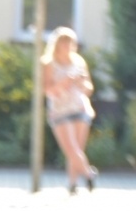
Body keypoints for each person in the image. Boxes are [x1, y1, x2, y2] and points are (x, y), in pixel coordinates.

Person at [41, 27, 97, 194]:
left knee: (78, 149)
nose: (67, 45)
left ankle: (72, 184)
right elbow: (47, 89)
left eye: (70, 42)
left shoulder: (79, 62)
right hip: (59, 110)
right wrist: (64, 82)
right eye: (63, 42)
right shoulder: (48, 63)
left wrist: (82, 84)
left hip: (79, 106)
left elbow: (89, 87)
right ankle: (89, 174)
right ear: (56, 44)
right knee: (71, 149)